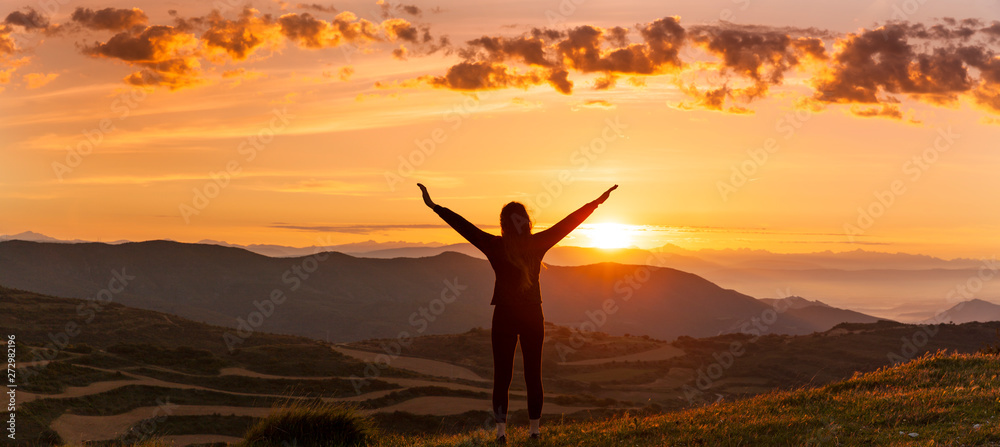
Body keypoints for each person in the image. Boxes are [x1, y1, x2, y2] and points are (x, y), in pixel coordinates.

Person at [417, 183, 618, 444]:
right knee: (518, 375)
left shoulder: (508, 245)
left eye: (518, 218)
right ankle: (518, 432)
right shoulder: (524, 244)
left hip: (515, 317)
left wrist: (434, 207)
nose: (522, 222)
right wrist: (596, 202)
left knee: (518, 375)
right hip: (522, 316)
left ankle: (518, 432)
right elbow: (567, 223)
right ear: (518, 222)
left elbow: (568, 223)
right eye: (520, 219)